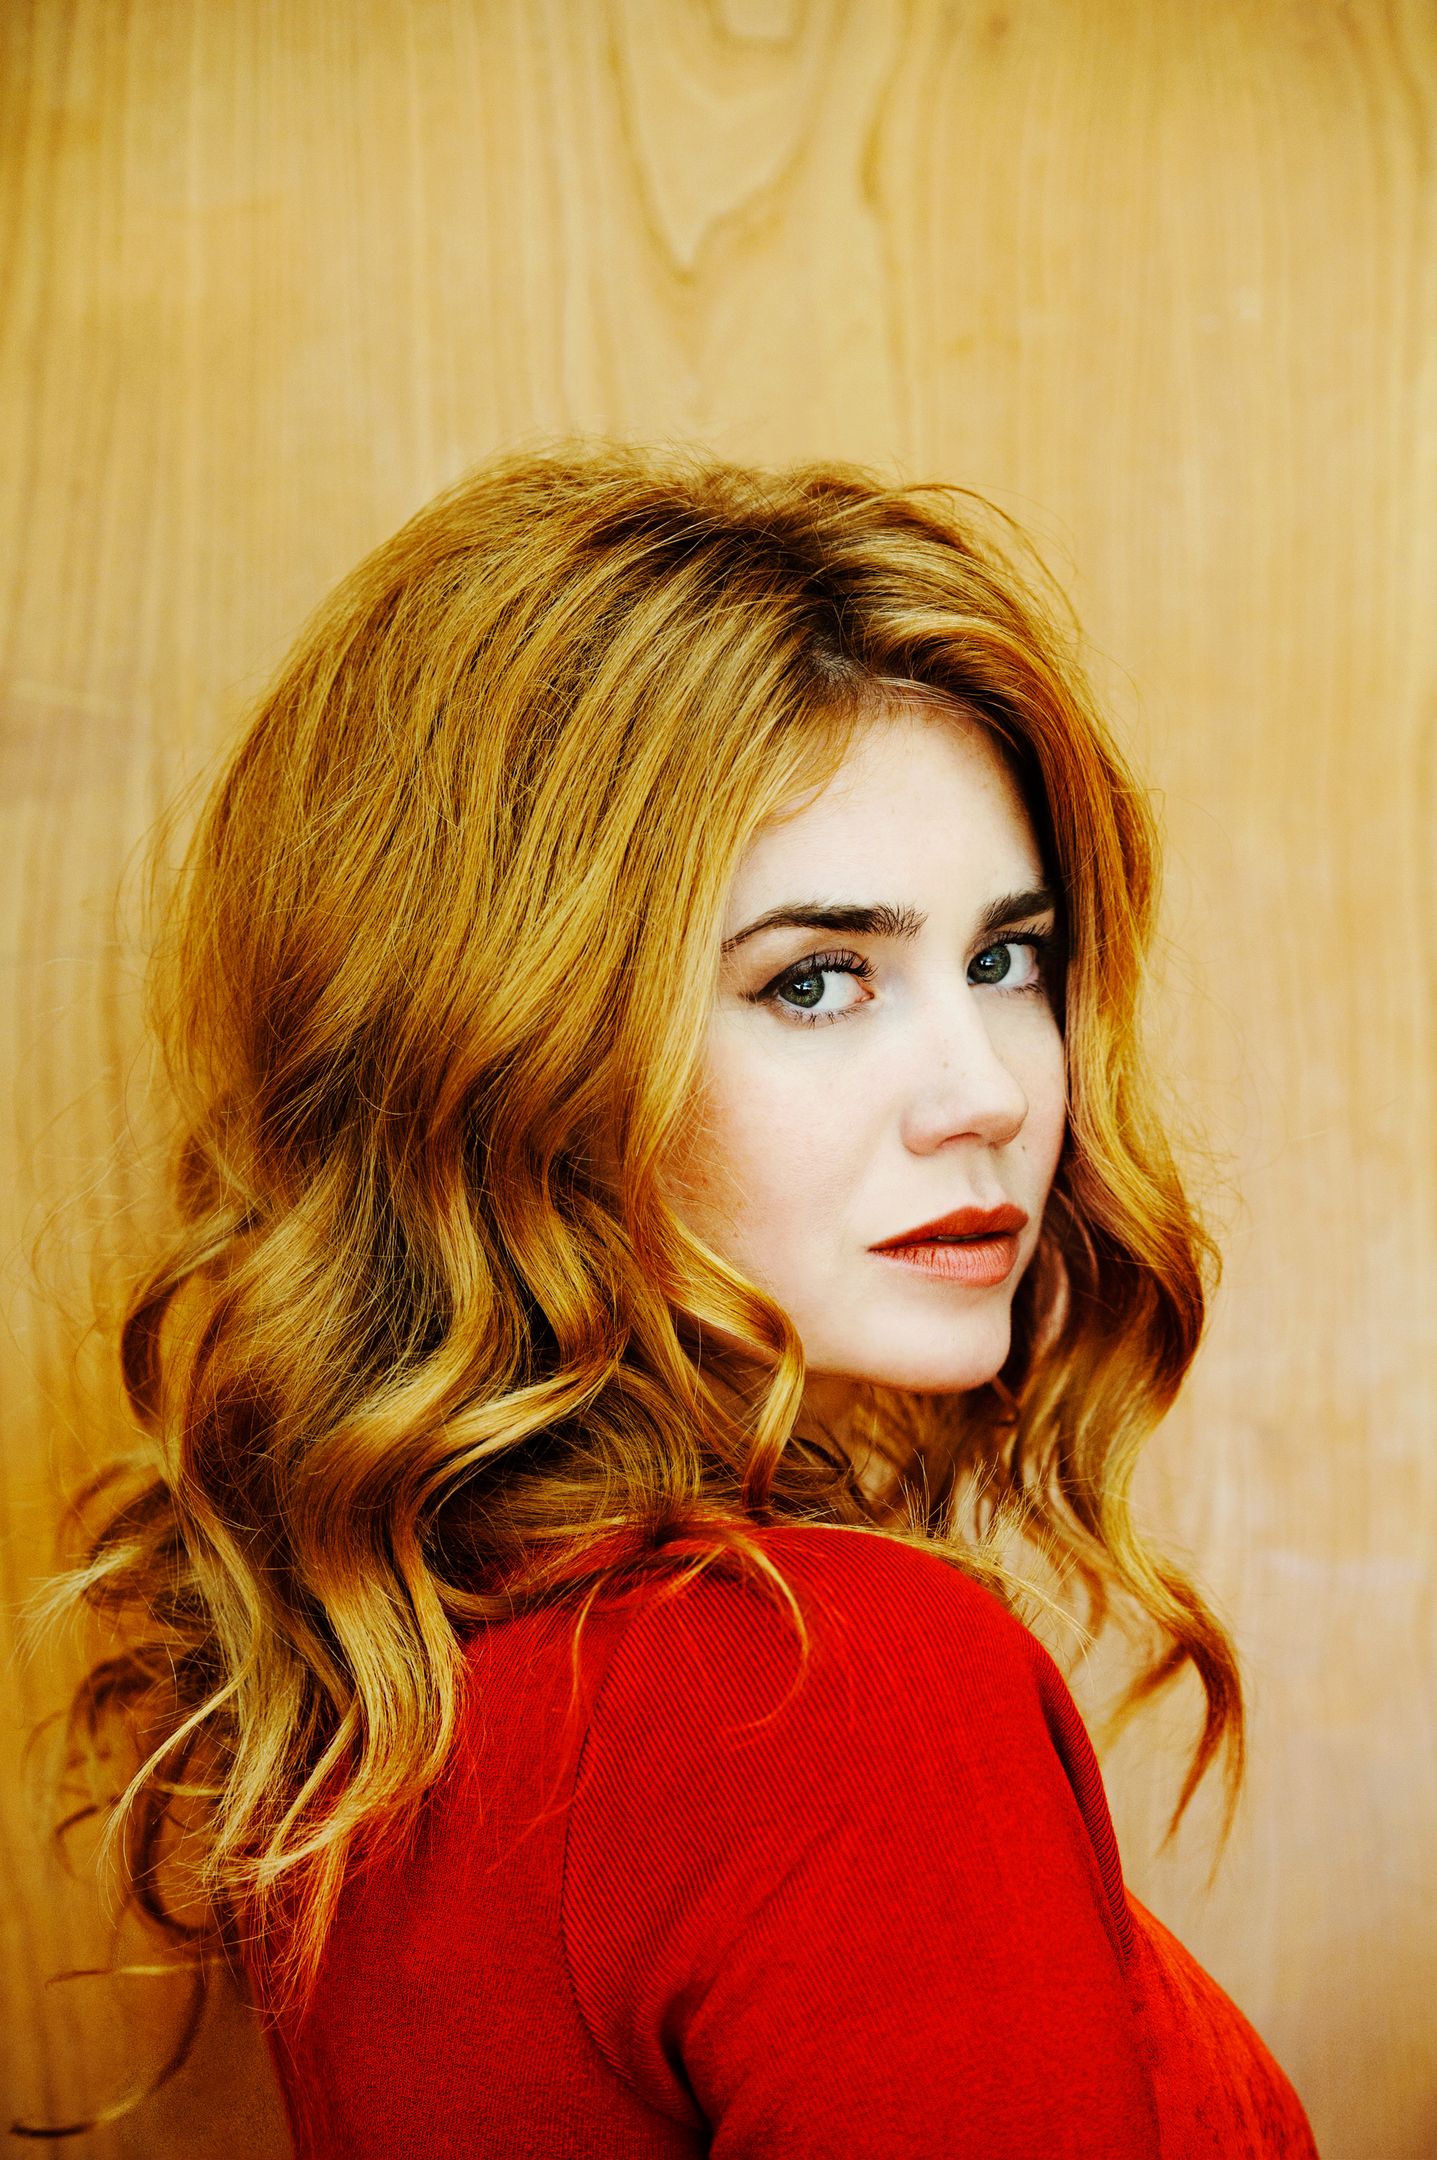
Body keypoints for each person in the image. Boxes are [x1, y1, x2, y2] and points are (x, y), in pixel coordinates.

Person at [53, 444, 1320, 2156]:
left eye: (1005, 957)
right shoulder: (831, 1691)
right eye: (815, 980)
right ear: (513, 1055)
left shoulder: (412, 1690)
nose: (989, 1093)